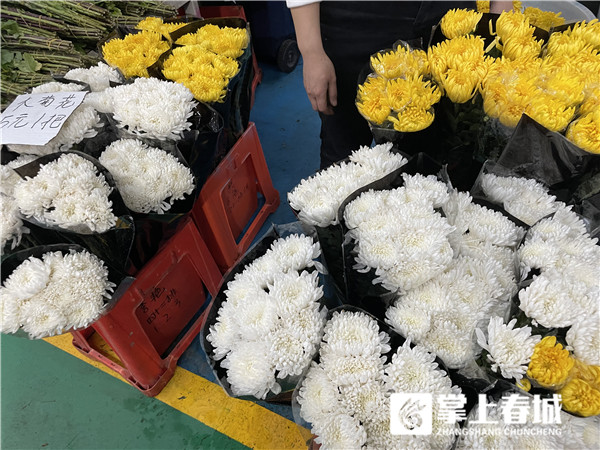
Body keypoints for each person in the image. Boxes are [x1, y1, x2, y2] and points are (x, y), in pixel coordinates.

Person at [287, 1, 513, 169]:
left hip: (447, 17)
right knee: (343, 156)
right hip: (355, 22)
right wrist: (311, 51)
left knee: (440, 158)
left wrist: (500, 15)